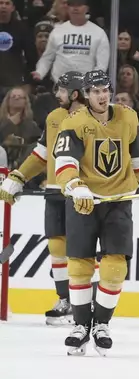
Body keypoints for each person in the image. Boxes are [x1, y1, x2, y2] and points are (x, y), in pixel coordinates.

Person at [54, 70, 139, 356]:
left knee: (115, 267)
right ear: (86, 94)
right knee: (79, 266)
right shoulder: (73, 122)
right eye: (96, 91)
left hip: (119, 200)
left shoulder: (128, 117)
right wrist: (76, 187)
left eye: (105, 90)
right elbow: (64, 163)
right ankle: (80, 325)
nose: (102, 95)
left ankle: (101, 324)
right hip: (83, 202)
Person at [0, 71, 89, 326]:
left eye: (61, 90)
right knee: (57, 247)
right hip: (54, 190)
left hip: (81, 191)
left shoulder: (93, 119)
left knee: (82, 251)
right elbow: (41, 154)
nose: (56, 94)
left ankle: (83, 301)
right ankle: (65, 300)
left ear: (73, 93)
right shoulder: (53, 117)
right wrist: (18, 176)